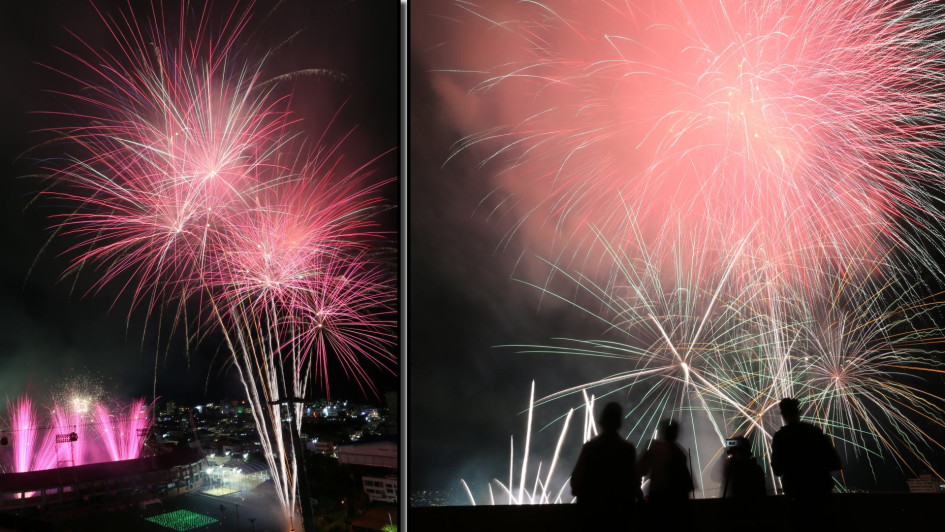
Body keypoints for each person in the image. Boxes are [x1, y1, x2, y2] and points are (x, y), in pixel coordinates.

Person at [770, 397, 841, 531]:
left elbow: (777, 470)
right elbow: (835, 463)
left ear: (783, 414)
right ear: (799, 412)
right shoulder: (815, 432)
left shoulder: (781, 437)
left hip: (797, 498)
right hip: (821, 496)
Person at [570, 402, 642, 531]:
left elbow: (576, 480)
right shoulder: (627, 449)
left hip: (592, 514)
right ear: (619, 423)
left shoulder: (590, 448)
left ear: (602, 421)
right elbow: (634, 483)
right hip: (619, 514)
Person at [637, 419, 693, 526]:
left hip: (658, 500)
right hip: (677, 503)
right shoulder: (680, 453)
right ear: (676, 433)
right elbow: (687, 485)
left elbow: (639, 470)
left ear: (663, 431)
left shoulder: (654, 446)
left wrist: (640, 498)